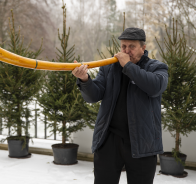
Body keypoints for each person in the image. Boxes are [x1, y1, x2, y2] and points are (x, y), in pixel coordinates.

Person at [72, 27, 168, 184]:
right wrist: (85, 80)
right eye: (123, 46)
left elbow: (155, 87)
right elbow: (94, 96)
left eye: (132, 46)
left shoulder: (157, 68)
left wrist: (128, 66)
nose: (126, 51)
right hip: (109, 140)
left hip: (143, 142)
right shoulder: (109, 67)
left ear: (143, 48)